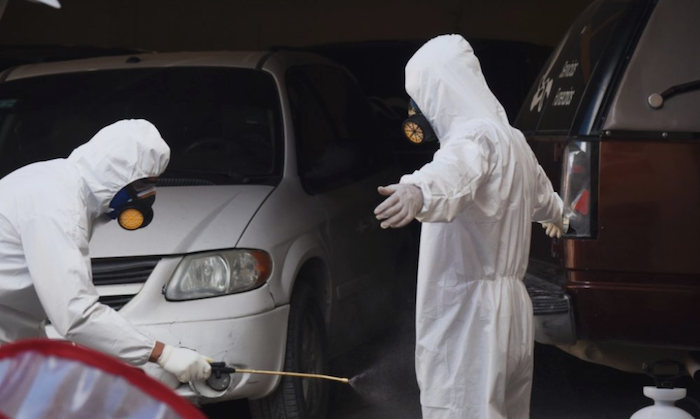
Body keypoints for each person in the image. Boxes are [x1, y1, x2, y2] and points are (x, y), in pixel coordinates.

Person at [374, 35, 563, 419]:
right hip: (512, 310)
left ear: (439, 89)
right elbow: (545, 198)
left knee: (460, 409)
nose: (420, 110)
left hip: (468, 318)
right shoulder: (515, 142)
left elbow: (451, 175)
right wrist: (559, 216)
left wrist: (417, 190)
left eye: (422, 95)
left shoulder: (473, 138)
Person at [0, 119, 211, 383]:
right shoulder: (58, 206)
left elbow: (23, 301)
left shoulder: (57, 183)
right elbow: (77, 314)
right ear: (115, 172)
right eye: (142, 183)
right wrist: (163, 355)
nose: (147, 195)